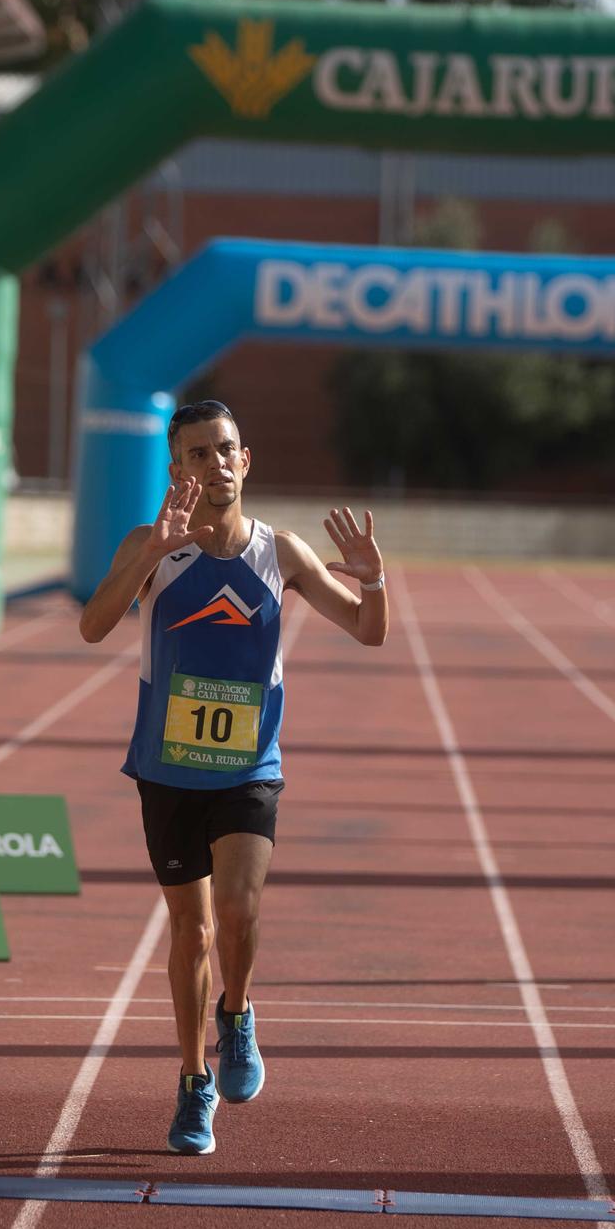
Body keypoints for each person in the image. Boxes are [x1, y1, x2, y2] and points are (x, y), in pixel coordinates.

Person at [78, 399, 388, 1155]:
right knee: (192, 927)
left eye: (226, 450)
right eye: (199, 453)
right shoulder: (149, 544)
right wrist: (150, 552)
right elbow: (93, 626)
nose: (215, 463)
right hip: (166, 770)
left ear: (245, 460)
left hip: (249, 764)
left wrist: (376, 580)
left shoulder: (280, 554)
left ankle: (238, 1012)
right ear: (177, 467)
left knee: (240, 913)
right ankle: (193, 1082)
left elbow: (368, 630)